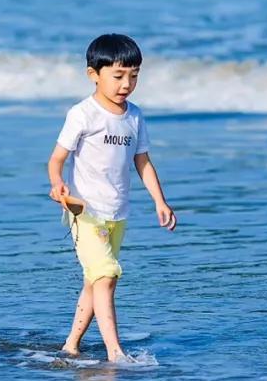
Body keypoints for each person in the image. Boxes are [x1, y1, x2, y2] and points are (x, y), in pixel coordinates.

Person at [47, 33, 177, 362]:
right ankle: (114, 352)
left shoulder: (134, 116)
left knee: (96, 281)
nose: (126, 84)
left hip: (118, 213)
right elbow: (57, 159)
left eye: (134, 76)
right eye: (118, 76)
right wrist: (58, 184)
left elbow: (142, 162)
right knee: (106, 275)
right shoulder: (83, 114)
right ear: (94, 74)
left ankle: (71, 345)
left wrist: (160, 201)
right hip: (85, 212)